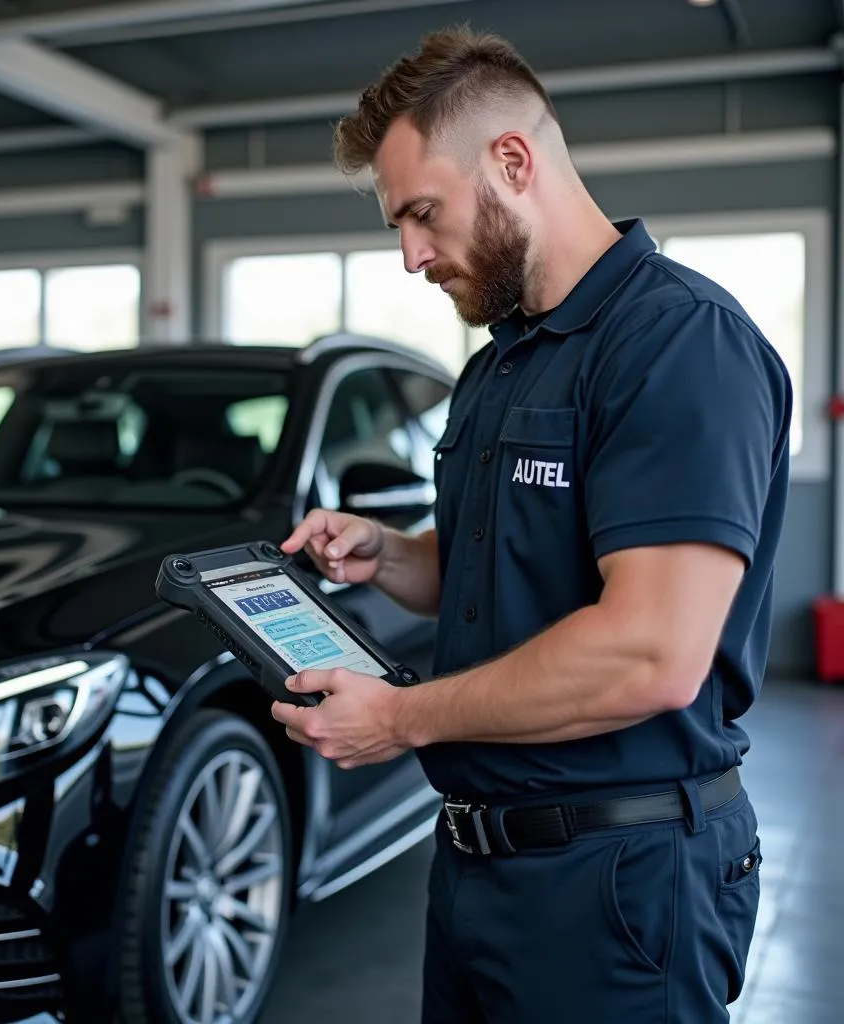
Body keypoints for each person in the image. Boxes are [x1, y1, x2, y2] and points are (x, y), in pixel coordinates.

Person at [271, 25, 794, 1024]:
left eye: (422, 215)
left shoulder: (678, 343)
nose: (412, 255)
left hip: (618, 881)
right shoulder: (500, 364)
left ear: (510, 162)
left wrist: (397, 718)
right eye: (397, 227)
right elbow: (497, 577)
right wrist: (388, 557)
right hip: (477, 866)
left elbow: (649, 654)